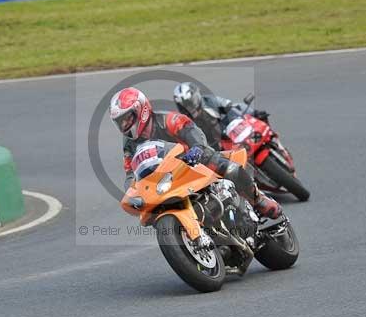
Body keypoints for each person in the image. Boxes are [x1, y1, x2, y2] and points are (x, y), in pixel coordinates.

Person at [109, 87, 282, 219]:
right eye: (120, 122)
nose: (124, 125)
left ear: (141, 110)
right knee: (153, 213)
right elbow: (130, 172)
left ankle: (259, 200)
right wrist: (131, 192)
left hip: (194, 161)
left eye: (127, 118)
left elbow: (191, 130)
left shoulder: (167, 119)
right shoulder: (129, 144)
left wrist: (196, 148)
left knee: (225, 166)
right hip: (167, 178)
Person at [173, 82, 270, 149]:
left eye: (190, 102)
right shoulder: (185, 122)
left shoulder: (210, 101)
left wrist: (252, 114)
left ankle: (270, 136)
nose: (189, 107)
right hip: (217, 148)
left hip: (231, 132)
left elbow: (231, 107)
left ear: (197, 97)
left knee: (240, 106)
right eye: (185, 106)